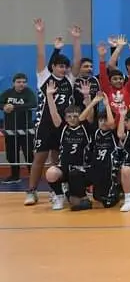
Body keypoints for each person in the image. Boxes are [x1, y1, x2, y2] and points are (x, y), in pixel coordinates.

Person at [27, 19, 82, 206]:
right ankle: (32, 191)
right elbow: (40, 54)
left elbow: (77, 61)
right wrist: (40, 33)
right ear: (53, 67)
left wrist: (76, 39)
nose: (64, 69)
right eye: (60, 66)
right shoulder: (43, 77)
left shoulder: (69, 80)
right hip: (44, 124)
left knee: (58, 159)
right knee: (39, 158)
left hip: (63, 125)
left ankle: (55, 191)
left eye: (65, 67)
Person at [41, 81, 96, 210]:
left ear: (80, 117)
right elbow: (53, 113)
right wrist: (49, 96)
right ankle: (59, 196)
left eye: (75, 116)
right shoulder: (62, 128)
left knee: (75, 203)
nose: (72, 119)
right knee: (51, 173)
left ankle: (80, 193)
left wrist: (87, 96)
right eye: (69, 116)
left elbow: (90, 114)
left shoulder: (85, 127)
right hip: (65, 168)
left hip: (81, 170)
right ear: (65, 118)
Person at [1, 73, 37, 185]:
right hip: (10, 129)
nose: (21, 84)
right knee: (11, 154)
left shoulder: (29, 92)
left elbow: (33, 103)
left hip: (26, 129)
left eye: (24, 82)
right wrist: (4, 107)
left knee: (29, 153)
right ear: (14, 83)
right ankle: (15, 176)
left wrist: (14, 107)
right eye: (19, 82)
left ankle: (33, 175)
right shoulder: (8, 93)